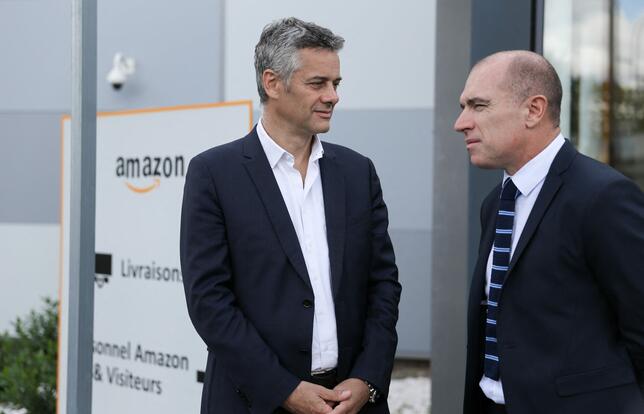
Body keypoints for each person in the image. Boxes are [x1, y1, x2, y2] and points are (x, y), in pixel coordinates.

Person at [180, 17, 401, 414]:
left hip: (350, 401)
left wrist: (367, 378)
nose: (333, 96)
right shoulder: (214, 173)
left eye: (336, 83)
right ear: (272, 82)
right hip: (254, 401)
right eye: (318, 83)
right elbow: (209, 301)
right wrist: (283, 389)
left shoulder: (358, 172)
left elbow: (383, 284)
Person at [454, 50, 644, 414]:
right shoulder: (495, 203)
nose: (461, 123)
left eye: (479, 106)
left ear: (534, 110)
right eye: (464, 107)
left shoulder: (603, 197)